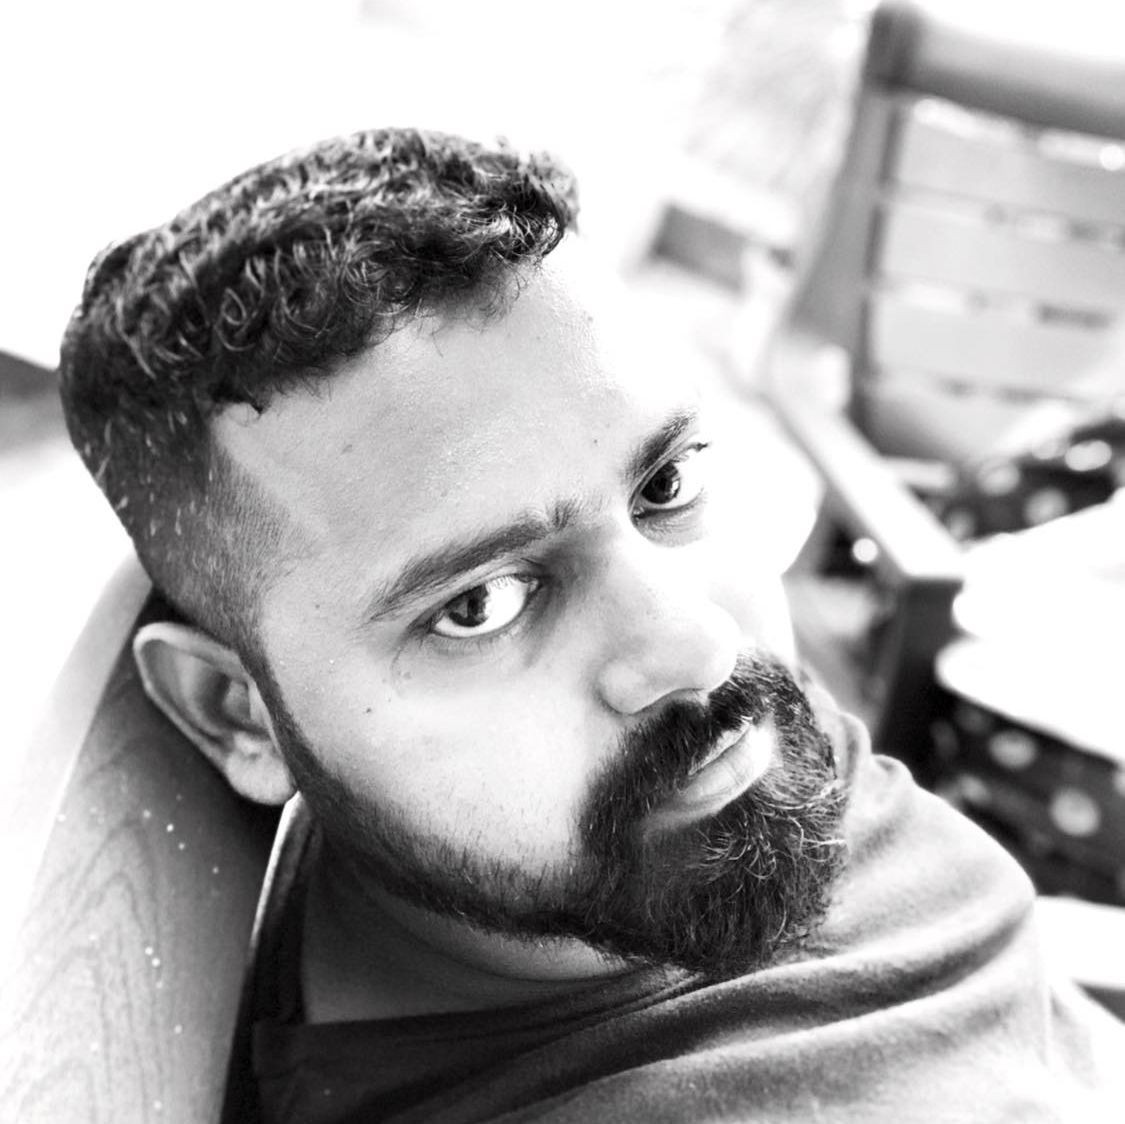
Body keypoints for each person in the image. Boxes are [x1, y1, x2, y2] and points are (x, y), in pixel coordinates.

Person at [58, 127, 1124, 1123]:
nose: (698, 643)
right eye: (480, 603)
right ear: (237, 714)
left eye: (665, 483)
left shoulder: (684, 789)